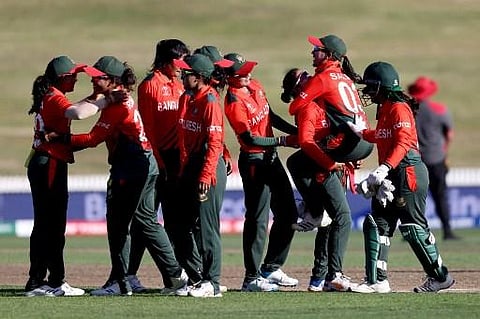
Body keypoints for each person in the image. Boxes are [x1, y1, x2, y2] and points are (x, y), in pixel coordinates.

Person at [49, 55, 188, 296]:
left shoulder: (118, 104)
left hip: (132, 168)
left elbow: (93, 139)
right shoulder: (118, 97)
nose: (92, 81)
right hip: (145, 164)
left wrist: (60, 140)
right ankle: (175, 275)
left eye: (97, 78)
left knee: (118, 225)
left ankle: (122, 282)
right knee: (146, 221)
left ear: (112, 80)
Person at [348, 61, 455, 293]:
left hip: (408, 172)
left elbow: (404, 141)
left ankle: (440, 276)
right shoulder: (385, 108)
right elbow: (385, 135)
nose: (367, 92)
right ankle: (377, 281)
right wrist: (362, 133)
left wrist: (383, 168)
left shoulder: (398, 107)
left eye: (371, 87)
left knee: (412, 228)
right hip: (391, 175)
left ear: (383, 86)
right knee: (377, 224)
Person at [223, 52, 299, 292]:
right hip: (254, 161)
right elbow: (248, 138)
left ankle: (271, 268)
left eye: (248, 70)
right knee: (257, 219)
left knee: (288, 213)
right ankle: (251, 277)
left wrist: (297, 132)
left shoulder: (255, 85)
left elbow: (270, 116)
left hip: (272, 158)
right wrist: (285, 140)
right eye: (242, 72)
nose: (248, 74)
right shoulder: (233, 101)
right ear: (230, 76)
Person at [284, 66, 361, 292]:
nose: (310, 77)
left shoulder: (321, 101)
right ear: (298, 87)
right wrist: (330, 164)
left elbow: (335, 136)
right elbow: (308, 143)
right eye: (304, 77)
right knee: (343, 217)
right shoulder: (307, 107)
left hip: (334, 166)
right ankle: (334, 274)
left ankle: (320, 279)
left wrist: (349, 157)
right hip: (324, 169)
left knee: (328, 223)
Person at [288, 34, 373, 231]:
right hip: (363, 140)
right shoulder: (345, 77)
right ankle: (317, 208)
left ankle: (315, 209)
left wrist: (308, 93)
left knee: (297, 161)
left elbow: (294, 107)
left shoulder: (323, 78)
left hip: (348, 142)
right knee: (313, 155)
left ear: (329, 55)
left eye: (317, 50)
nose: (313, 52)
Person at [24, 55, 89, 297]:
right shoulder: (55, 98)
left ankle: (38, 279)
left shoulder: (51, 95)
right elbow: (77, 113)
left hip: (44, 162)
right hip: (50, 162)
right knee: (52, 224)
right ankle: (54, 281)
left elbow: (74, 108)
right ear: (62, 78)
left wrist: (94, 98)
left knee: (45, 223)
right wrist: (105, 100)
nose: (76, 79)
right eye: (73, 76)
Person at [132, 39, 191, 293]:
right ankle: (129, 275)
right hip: (159, 160)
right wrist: (158, 162)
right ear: (166, 61)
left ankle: (174, 277)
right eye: (179, 61)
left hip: (179, 158)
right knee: (145, 218)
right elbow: (147, 129)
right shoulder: (149, 86)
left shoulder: (179, 84)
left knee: (174, 220)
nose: (183, 66)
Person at [173, 53, 227, 297]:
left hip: (208, 166)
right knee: (179, 225)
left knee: (207, 228)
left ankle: (212, 282)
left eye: (187, 74)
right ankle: (196, 277)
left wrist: (205, 176)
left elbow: (215, 142)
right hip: (191, 165)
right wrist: (185, 168)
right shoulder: (187, 97)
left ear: (200, 77)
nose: (183, 76)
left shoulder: (211, 101)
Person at [407, 76, 459, 240]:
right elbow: (449, 134)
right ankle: (447, 230)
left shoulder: (408, 109)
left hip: (414, 159)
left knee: (413, 196)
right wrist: (444, 152)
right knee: (440, 195)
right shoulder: (440, 110)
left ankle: (411, 229)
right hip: (436, 158)